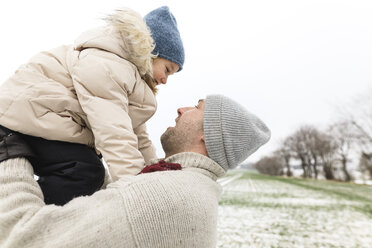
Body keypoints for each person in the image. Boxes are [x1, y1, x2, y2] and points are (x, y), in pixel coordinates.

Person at [0, 94, 270, 248]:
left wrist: (9, 154)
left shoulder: (164, 195)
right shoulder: (188, 190)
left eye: (197, 107)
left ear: (207, 135)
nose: (181, 108)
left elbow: (23, 238)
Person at [0, 6, 185, 205]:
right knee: (85, 171)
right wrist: (138, 193)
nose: (166, 80)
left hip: (41, 116)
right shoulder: (108, 65)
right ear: (150, 52)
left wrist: (152, 170)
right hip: (23, 112)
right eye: (167, 69)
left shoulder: (128, 78)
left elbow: (137, 137)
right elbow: (114, 133)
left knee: (89, 171)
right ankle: (27, 220)